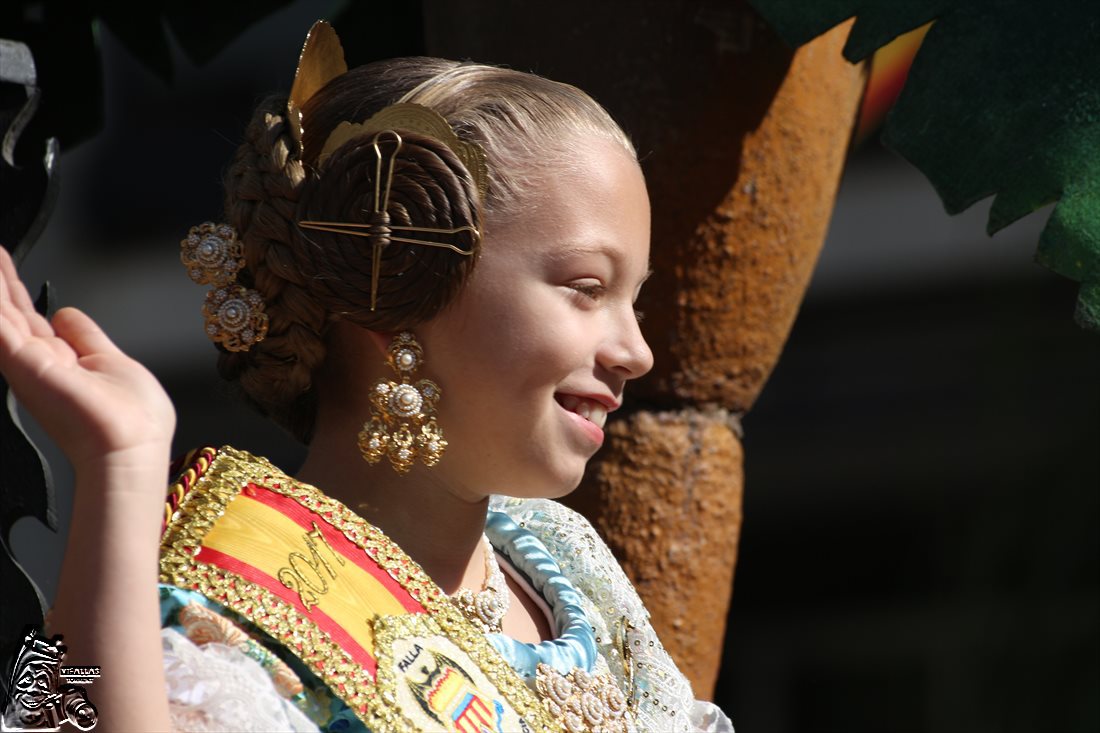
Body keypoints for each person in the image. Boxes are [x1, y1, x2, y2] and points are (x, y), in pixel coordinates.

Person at [0, 21, 732, 733]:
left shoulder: (561, 558)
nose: (635, 351)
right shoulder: (223, 599)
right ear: (400, 280)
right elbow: (53, 718)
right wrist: (119, 470)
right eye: (586, 287)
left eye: (632, 298)